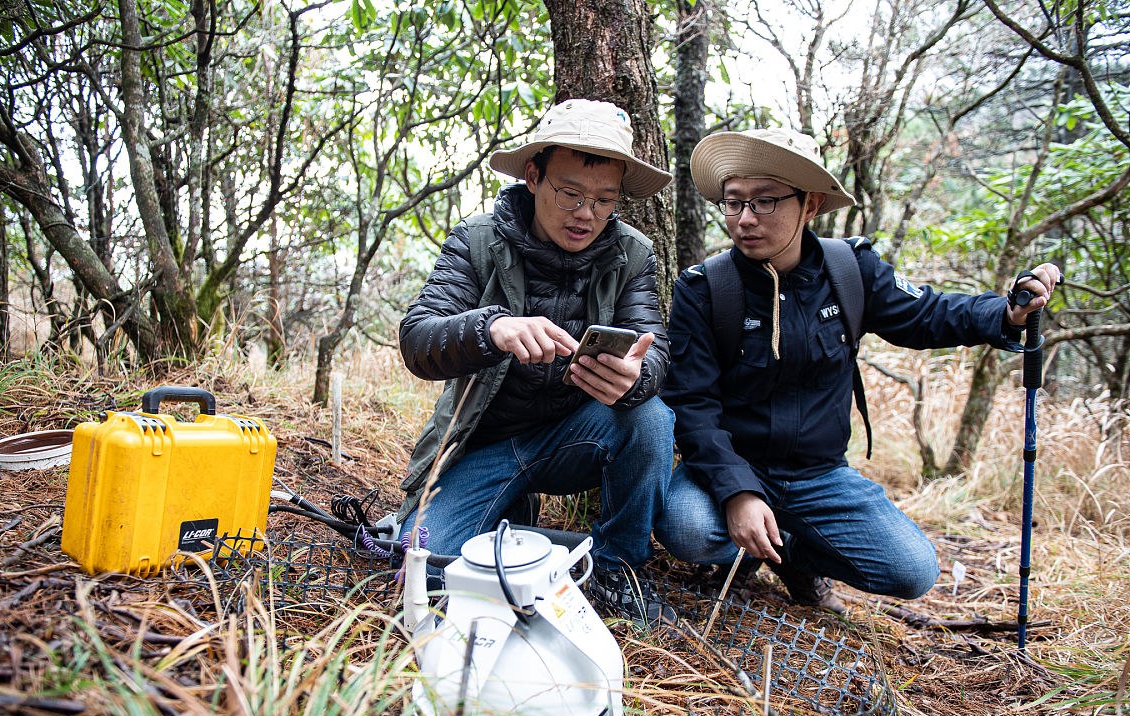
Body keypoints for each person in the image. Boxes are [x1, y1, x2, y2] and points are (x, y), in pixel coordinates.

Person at [656, 128, 1062, 612]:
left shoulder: (851, 271)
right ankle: (740, 549)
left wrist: (1007, 314)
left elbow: (927, 315)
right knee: (686, 527)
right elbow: (693, 404)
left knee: (913, 570)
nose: (744, 219)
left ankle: (794, 557)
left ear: (810, 204)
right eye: (733, 202)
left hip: (818, 475)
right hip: (731, 466)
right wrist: (738, 493)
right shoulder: (705, 288)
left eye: (764, 202)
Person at [396, 99, 676, 625]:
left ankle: (619, 571)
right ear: (533, 175)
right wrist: (491, 327)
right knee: (423, 568)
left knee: (652, 417)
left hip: (574, 438)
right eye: (569, 194)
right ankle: (521, 528)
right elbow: (417, 340)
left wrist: (636, 378)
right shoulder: (478, 241)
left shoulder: (631, 254)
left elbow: (653, 347)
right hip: (481, 447)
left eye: (604, 201)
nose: (586, 214)